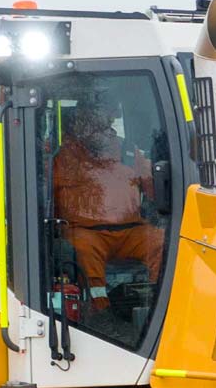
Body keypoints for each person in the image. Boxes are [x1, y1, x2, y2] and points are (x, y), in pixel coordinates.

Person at [51, 97, 163, 306]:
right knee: (82, 252)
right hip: (86, 231)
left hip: (132, 230)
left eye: (104, 123)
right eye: (91, 123)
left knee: (161, 241)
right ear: (78, 123)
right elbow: (47, 195)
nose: (99, 129)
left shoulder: (128, 151)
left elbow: (152, 187)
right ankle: (99, 312)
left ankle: (160, 301)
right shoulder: (62, 156)